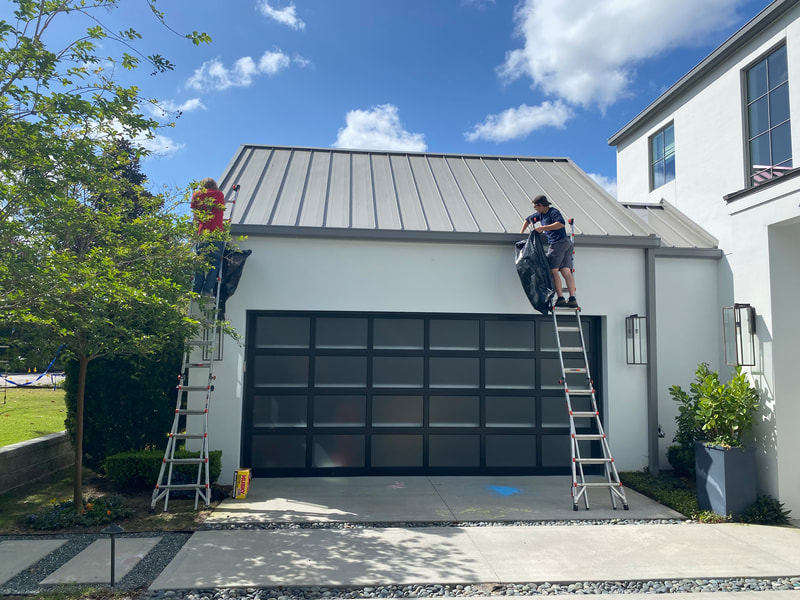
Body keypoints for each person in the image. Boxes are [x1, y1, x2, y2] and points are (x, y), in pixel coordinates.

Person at [519, 194, 578, 309]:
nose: (535, 209)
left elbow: (560, 224)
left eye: (535, 207)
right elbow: (527, 220)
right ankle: (572, 299)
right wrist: (521, 233)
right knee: (566, 271)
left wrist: (543, 228)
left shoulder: (553, 212)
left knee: (553, 271)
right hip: (566, 243)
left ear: (541, 205)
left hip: (558, 244)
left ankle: (560, 298)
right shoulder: (540, 215)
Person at [191, 177, 226, 297]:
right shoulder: (219, 195)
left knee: (200, 262)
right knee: (214, 262)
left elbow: (195, 216)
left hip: (202, 233)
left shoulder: (197, 195)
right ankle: (207, 290)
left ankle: (196, 289)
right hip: (216, 233)